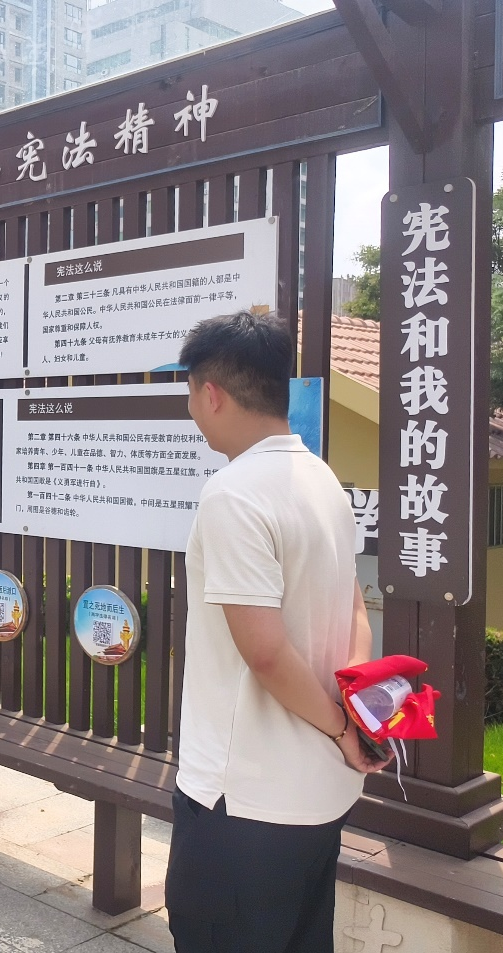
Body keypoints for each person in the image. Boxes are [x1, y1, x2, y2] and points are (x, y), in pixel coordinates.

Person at [165, 312, 390, 953]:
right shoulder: (323, 480)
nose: (193, 409)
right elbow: (354, 608)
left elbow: (264, 652)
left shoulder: (233, 494)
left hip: (244, 799)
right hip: (319, 792)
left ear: (212, 393)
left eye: (191, 393)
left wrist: (343, 730)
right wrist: (350, 721)